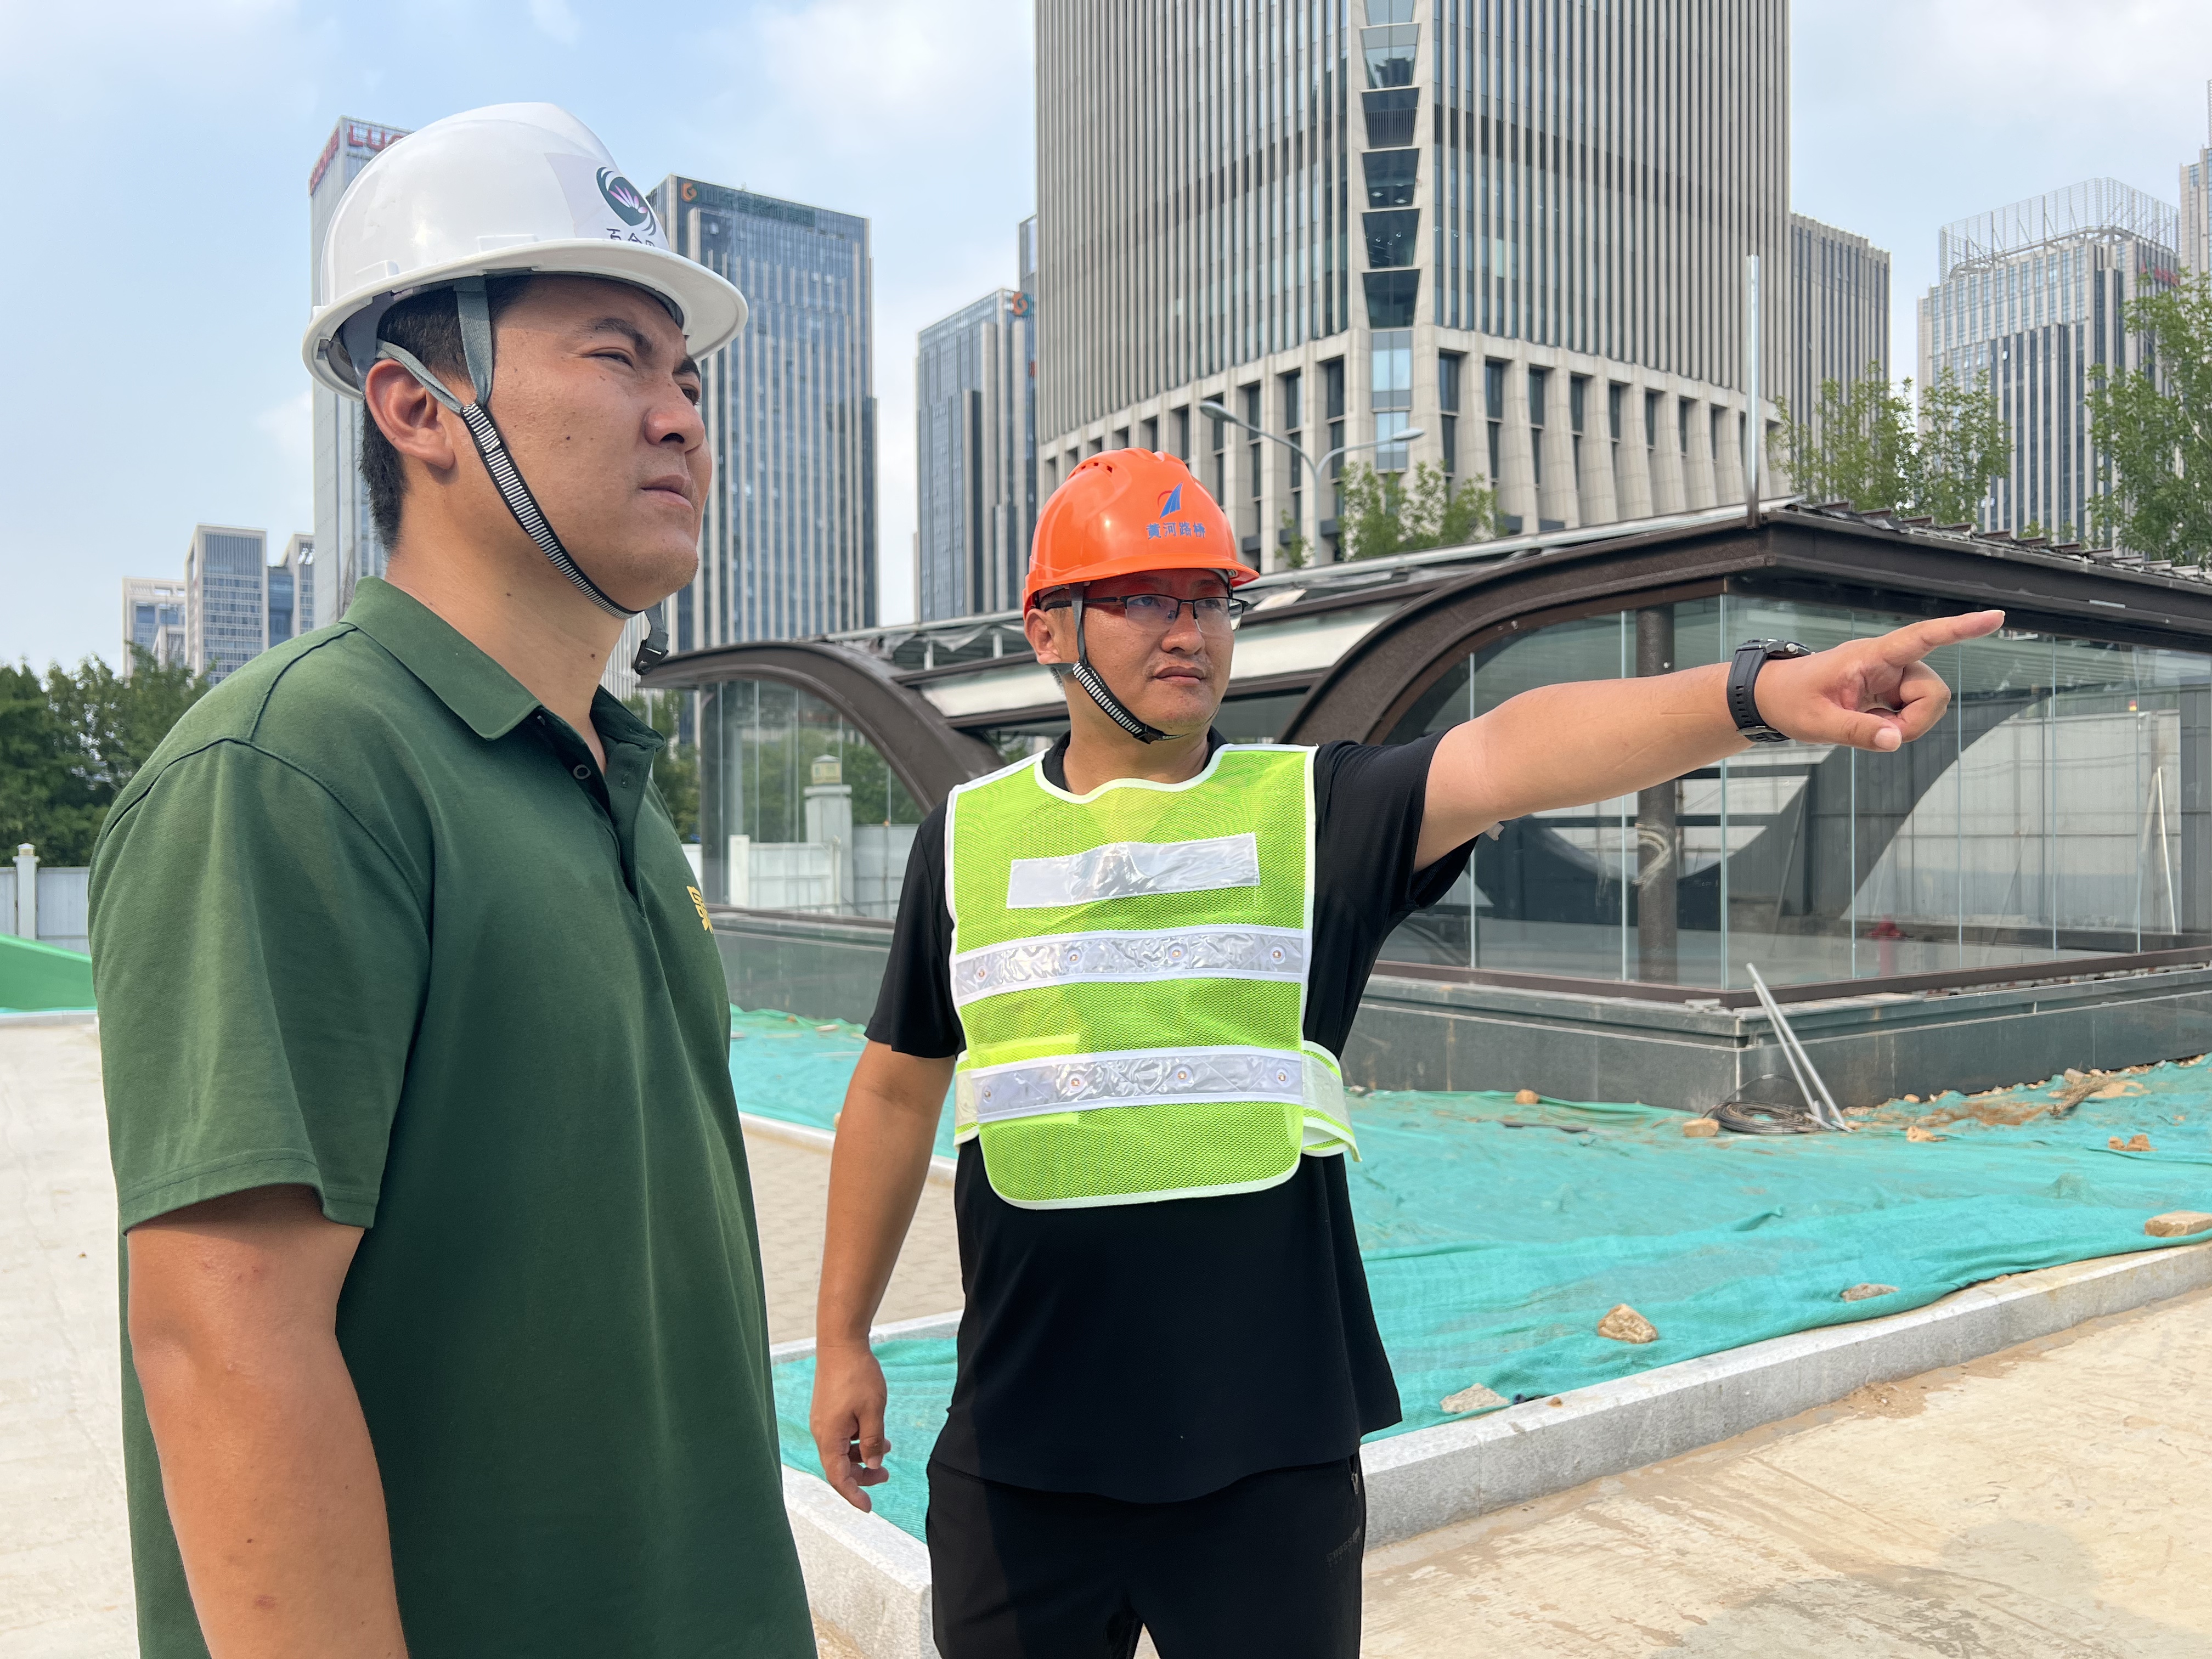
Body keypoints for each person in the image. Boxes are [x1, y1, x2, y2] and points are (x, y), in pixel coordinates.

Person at [809, 447, 2001, 1658]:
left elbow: (1513, 751)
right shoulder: (967, 839)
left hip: (1265, 1458)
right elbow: (896, 1093)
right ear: (1047, 630)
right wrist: (845, 1338)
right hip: (1019, 1452)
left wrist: (1758, 693)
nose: (1190, 632)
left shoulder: (1313, 811)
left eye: (1211, 600)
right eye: (1144, 599)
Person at [91, 104, 815, 1658]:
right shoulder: (295, 772)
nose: (682, 418)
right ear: (419, 410)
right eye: (618, 358)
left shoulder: (619, 788)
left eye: (690, 379)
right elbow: (226, 1344)